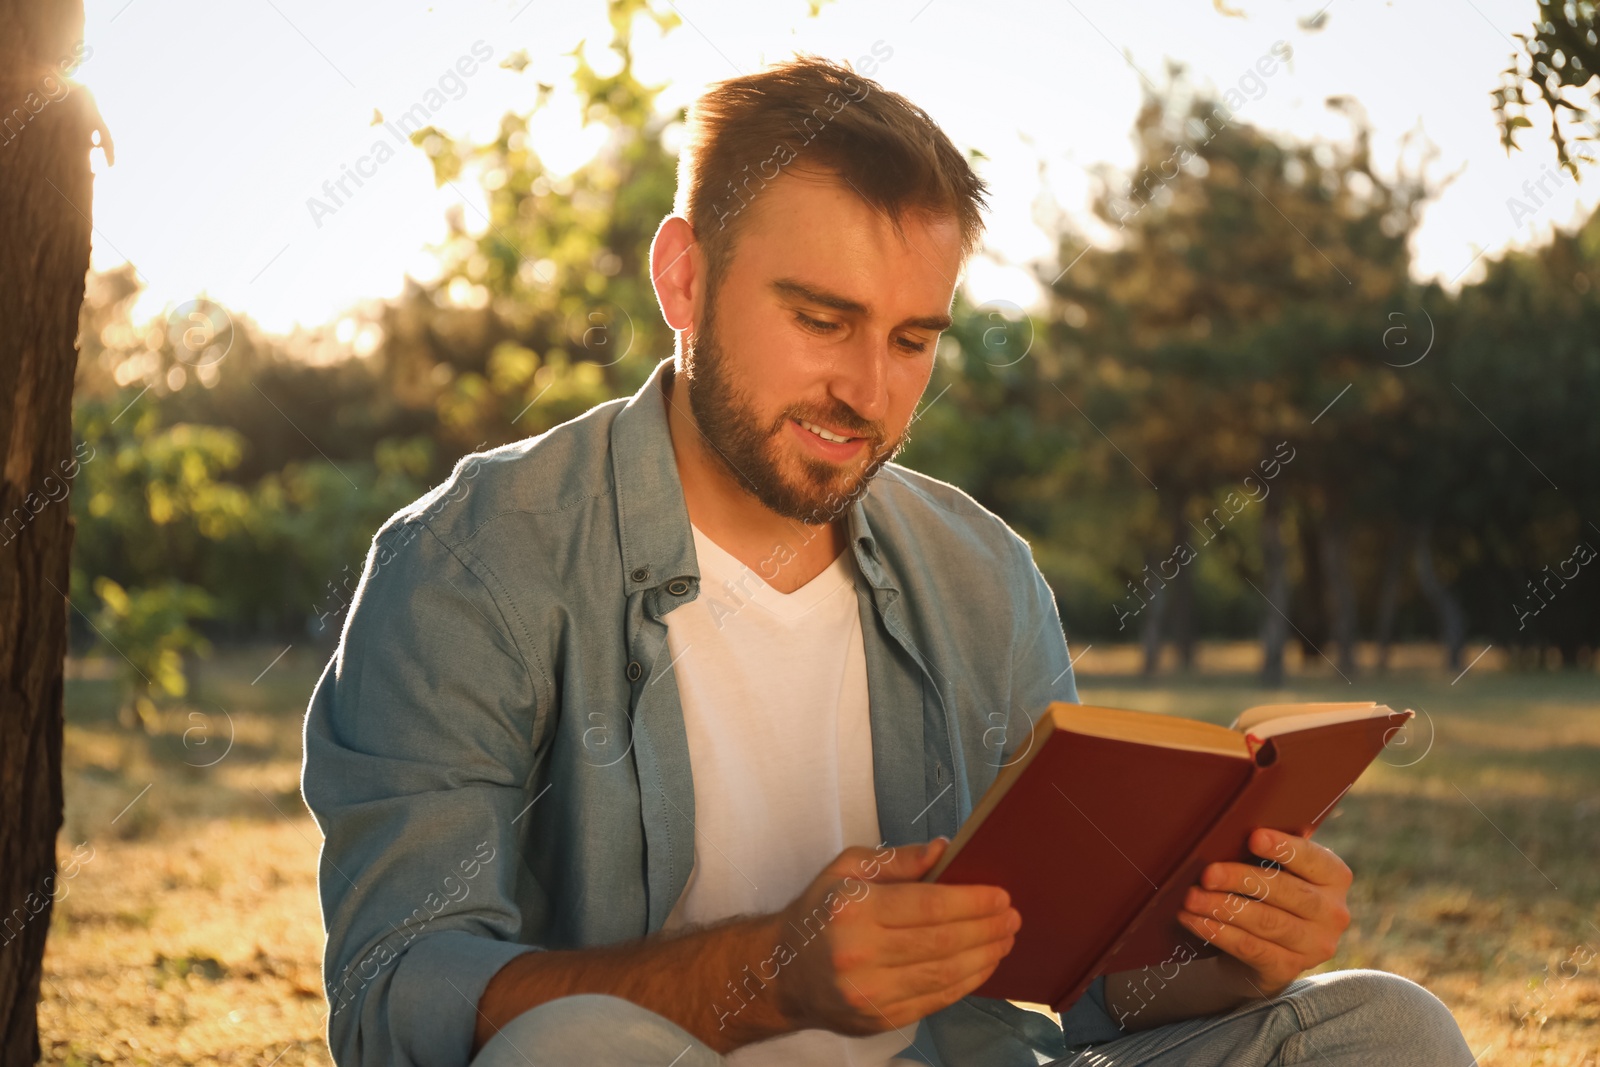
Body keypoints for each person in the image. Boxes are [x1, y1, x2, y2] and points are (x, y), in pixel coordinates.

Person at [300, 55, 1476, 1067]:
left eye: (912, 337)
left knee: (1382, 1025)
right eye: (821, 319)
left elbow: (1090, 994)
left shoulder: (980, 570)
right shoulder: (469, 561)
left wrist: (1227, 956)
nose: (868, 391)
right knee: (570, 1049)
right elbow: (397, 991)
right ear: (684, 278)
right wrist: (771, 974)